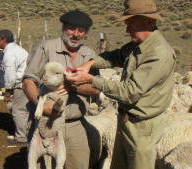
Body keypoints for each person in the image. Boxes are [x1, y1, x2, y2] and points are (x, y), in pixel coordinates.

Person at [66, 0, 177, 168]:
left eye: (131, 24)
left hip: (143, 128)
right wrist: (90, 63)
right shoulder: (137, 45)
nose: (126, 30)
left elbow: (129, 92)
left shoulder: (159, 54)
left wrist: (90, 80)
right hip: (125, 121)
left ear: (149, 21)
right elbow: (116, 56)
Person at [22, 10, 100, 169]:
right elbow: (28, 81)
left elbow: (97, 88)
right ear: (64, 28)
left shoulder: (89, 55)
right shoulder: (46, 48)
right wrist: (41, 106)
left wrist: (72, 85)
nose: (76, 34)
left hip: (75, 126)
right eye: (72, 28)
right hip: (45, 123)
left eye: (81, 30)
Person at [0, 29, 29, 146]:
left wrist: (7, 93)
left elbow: (10, 76)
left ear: (3, 39)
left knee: (18, 110)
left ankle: (21, 138)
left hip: (21, 84)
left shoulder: (9, 54)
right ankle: (27, 133)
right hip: (27, 82)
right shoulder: (18, 49)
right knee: (26, 109)